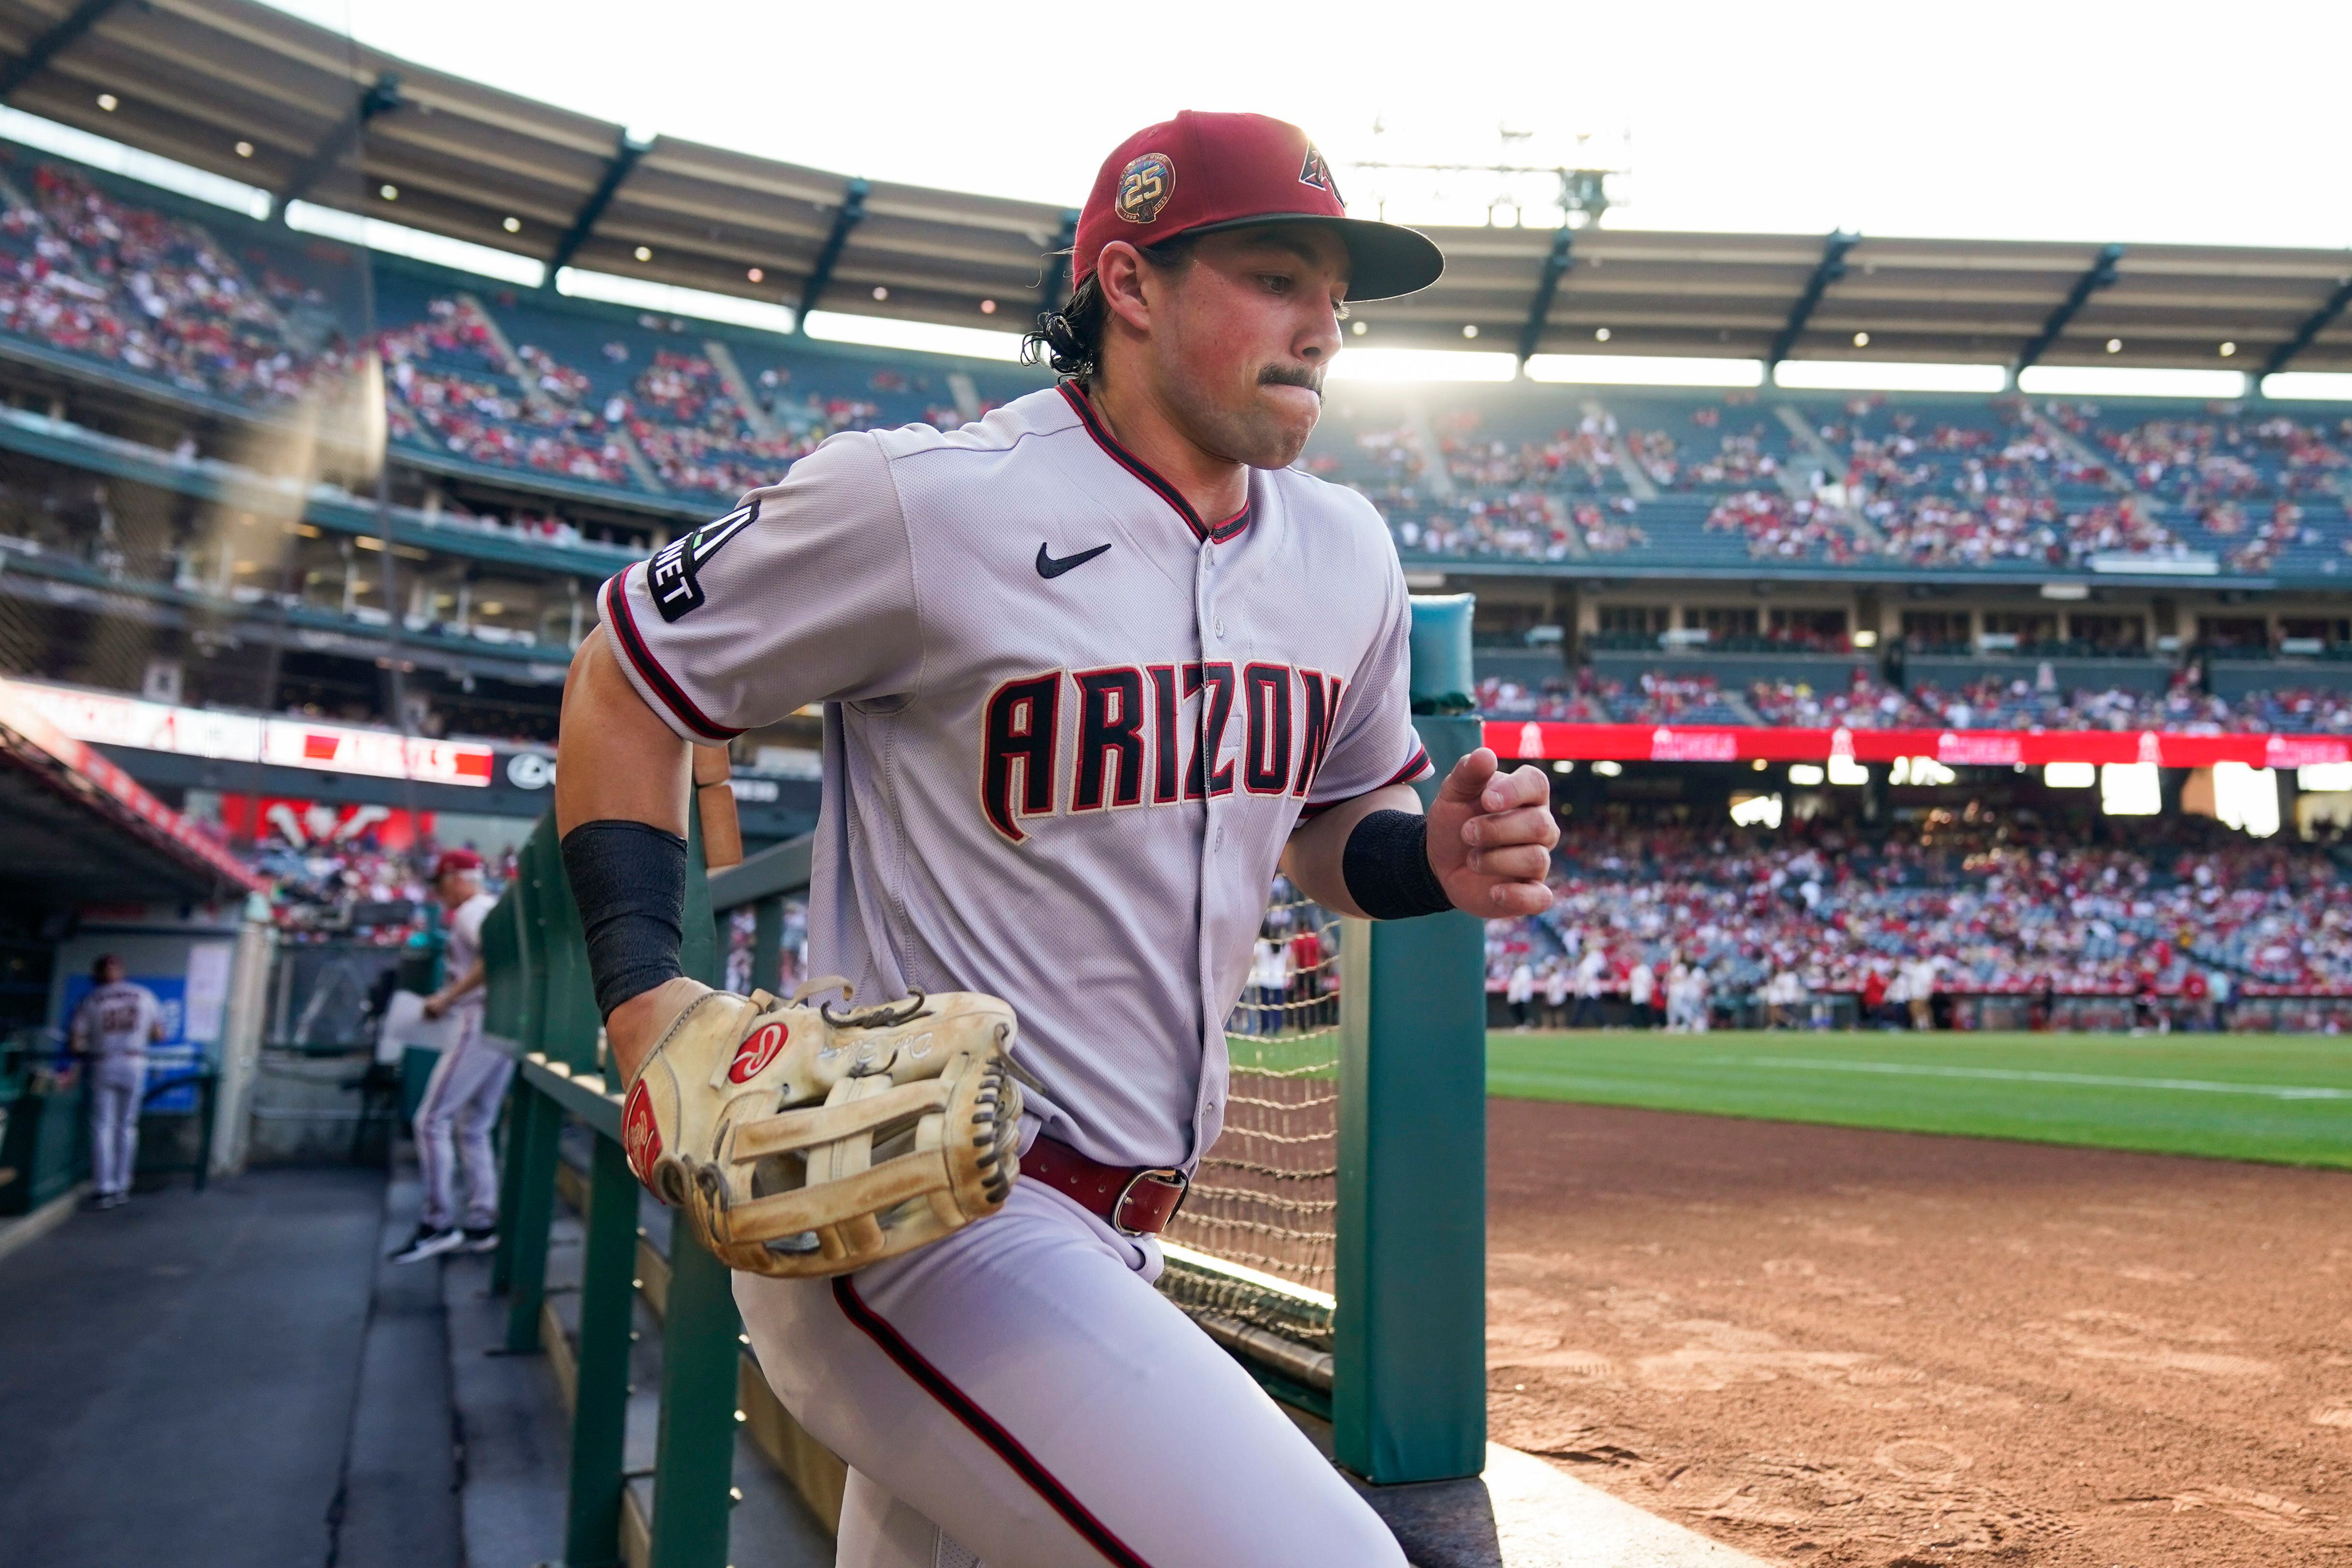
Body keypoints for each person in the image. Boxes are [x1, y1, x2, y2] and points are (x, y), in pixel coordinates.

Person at [552, 111, 1556, 1568]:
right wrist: (644, 1003)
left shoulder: (1347, 553)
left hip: (1123, 1233)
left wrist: (1429, 860)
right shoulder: (930, 501)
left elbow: (1337, 826)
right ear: (1130, 286)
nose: (1322, 329)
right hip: (911, 1216)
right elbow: (626, 675)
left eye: (1335, 300)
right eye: (1276, 278)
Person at [390, 848, 509, 1263]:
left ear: (457, 877)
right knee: (474, 1126)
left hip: (481, 1020)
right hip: (506, 1024)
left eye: (442, 885)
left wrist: (446, 997)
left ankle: (437, 1223)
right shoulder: (491, 907)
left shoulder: (471, 912)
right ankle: (482, 1220)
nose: (441, 896)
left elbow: (496, 957)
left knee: (430, 1120)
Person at [68, 955, 163, 1209]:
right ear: (121, 971)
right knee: (128, 1126)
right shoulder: (143, 994)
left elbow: (76, 1042)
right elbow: (159, 1034)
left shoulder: (91, 999)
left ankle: (104, 1188)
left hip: (104, 1062)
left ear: (98, 974)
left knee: (102, 1126)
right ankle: (122, 1186)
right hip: (134, 1062)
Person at [1570, 943, 1607, 1028]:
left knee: (1593, 1009)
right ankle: (1575, 1025)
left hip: (1588, 990)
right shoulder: (1583, 964)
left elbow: (1589, 977)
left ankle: (1604, 1024)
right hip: (1585, 991)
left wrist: (1583, 988)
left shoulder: (1587, 964)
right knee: (1581, 1009)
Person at [1506, 957, 1536, 1031]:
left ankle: (1524, 1025)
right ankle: (1522, 1024)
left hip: (1522, 994)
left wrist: (1518, 993)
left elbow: (1523, 983)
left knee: (1522, 1010)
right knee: (1517, 1009)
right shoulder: (1518, 970)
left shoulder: (1525, 970)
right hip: (1517, 994)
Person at [1542, 959, 1570, 1030]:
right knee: (1559, 1012)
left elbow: (1550, 990)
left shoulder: (1553, 978)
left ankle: (1548, 1026)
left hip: (1554, 998)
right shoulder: (1559, 976)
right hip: (1560, 997)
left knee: (1549, 1012)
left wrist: (1548, 997)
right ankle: (1561, 1027)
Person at [1627, 959, 1656, 1028]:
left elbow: (1649, 982)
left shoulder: (1645, 969)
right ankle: (1638, 1025)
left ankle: (1652, 1024)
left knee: (1645, 1011)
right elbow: (1632, 983)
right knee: (1637, 1011)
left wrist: (1649, 993)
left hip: (1643, 993)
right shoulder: (1633, 970)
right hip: (1636, 994)